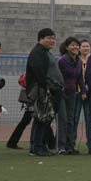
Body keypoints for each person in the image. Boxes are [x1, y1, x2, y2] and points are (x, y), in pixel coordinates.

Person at [25, 28, 61, 157]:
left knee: (43, 120)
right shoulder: (38, 53)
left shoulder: (45, 52)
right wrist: (45, 89)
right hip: (44, 91)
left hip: (50, 90)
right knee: (41, 119)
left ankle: (40, 146)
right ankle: (37, 147)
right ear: (40, 39)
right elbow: (39, 73)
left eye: (53, 38)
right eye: (49, 38)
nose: (52, 40)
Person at [57, 37, 87, 155]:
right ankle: (61, 146)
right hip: (62, 93)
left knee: (71, 120)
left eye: (76, 45)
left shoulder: (79, 61)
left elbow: (80, 78)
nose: (75, 47)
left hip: (73, 93)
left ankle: (70, 146)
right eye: (72, 45)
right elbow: (58, 76)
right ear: (67, 47)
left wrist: (83, 91)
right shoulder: (62, 60)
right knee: (63, 119)